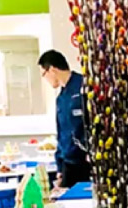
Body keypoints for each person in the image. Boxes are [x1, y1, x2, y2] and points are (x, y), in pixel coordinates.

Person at [39, 50, 89, 188]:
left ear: (52, 70)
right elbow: (62, 133)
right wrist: (60, 166)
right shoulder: (61, 99)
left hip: (86, 162)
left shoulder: (83, 87)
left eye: (44, 74)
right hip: (69, 163)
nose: (45, 80)